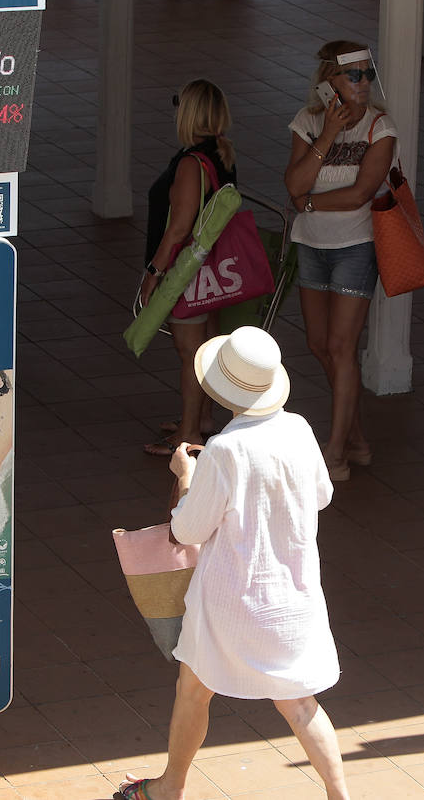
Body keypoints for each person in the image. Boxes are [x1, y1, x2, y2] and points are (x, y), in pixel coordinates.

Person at [115, 326, 350, 800]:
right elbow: (322, 495)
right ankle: (340, 797)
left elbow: (186, 532)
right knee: (301, 705)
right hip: (293, 598)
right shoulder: (300, 428)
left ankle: (169, 788)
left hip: (228, 603)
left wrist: (186, 477)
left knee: (193, 691)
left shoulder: (223, 450)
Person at [283, 40, 396, 481]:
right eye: (355, 75)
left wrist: (308, 203)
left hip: (355, 246)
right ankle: (358, 436)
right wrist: (327, 135)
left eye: (369, 74)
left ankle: (335, 451)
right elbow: (292, 182)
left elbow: (360, 193)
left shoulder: (379, 128)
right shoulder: (309, 122)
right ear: (330, 82)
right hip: (310, 246)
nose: (365, 82)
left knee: (340, 346)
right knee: (317, 343)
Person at [139, 80, 237, 455]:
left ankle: (190, 435)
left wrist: (155, 271)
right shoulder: (221, 153)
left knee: (190, 354)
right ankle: (203, 418)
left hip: (189, 272)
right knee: (208, 348)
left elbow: (179, 226)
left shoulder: (190, 162)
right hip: (214, 271)